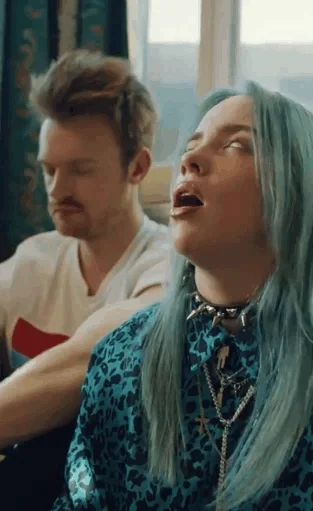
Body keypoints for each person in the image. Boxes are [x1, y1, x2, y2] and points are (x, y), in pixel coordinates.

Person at [52, 82, 313, 511]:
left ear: (300, 190)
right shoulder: (120, 360)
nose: (189, 161)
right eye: (191, 146)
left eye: (235, 145)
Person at [0, 50, 169, 509]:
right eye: (49, 170)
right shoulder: (31, 262)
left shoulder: (169, 267)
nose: (57, 191)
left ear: (137, 167)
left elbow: (91, 363)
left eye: (80, 170)